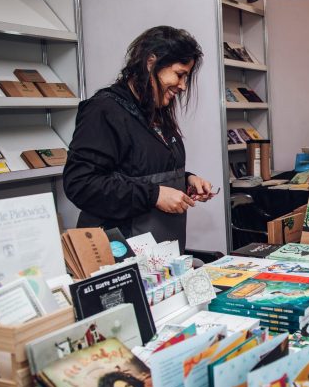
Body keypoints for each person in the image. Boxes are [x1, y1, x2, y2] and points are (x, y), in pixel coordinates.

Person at [64, 26, 213, 249]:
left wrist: (186, 180)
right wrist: (154, 195)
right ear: (151, 62)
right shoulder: (103, 110)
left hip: (161, 256)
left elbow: (139, 170)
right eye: (180, 74)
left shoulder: (156, 111)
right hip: (120, 254)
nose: (183, 86)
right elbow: (81, 183)